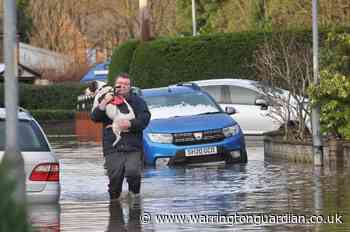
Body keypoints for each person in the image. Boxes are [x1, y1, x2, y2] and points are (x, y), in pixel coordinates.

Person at [90, 73, 151, 201]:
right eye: (120, 84)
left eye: (126, 84)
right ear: (115, 84)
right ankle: (114, 204)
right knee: (115, 178)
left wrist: (130, 123)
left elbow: (145, 119)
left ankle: (134, 198)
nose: (122, 87)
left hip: (133, 145)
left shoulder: (138, 101)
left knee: (133, 172)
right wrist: (105, 102)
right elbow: (95, 118)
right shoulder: (106, 98)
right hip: (112, 146)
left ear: (130, 87)